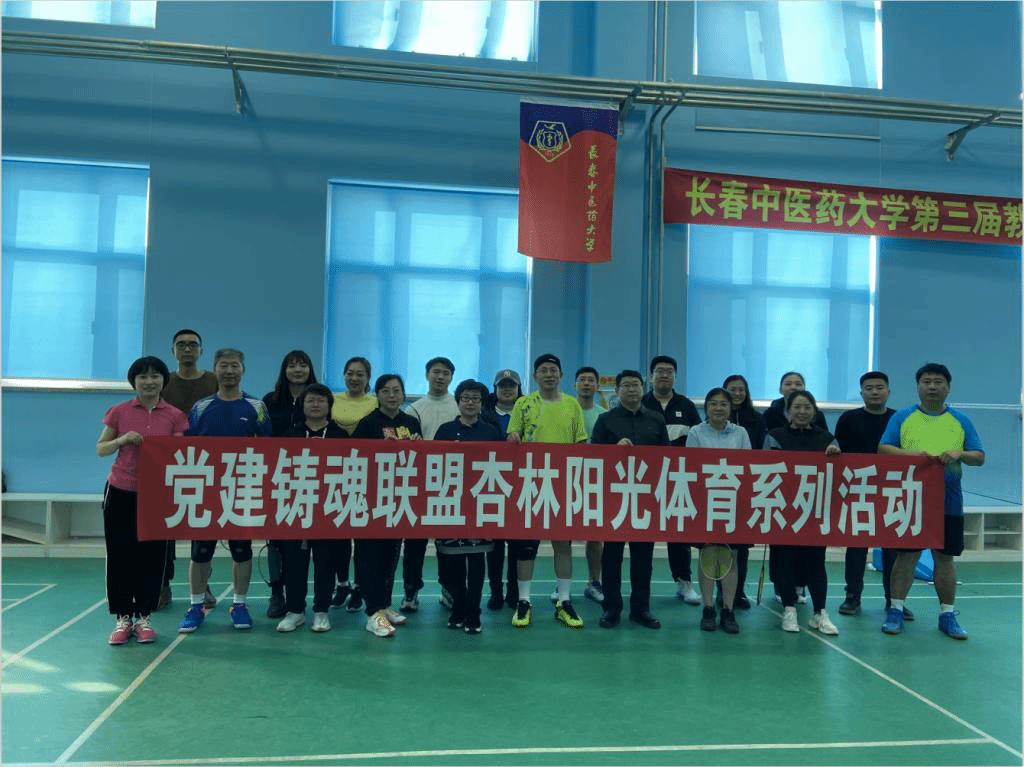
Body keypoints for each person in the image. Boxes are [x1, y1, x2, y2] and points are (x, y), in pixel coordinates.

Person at [879, 363, 984, 641]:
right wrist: (912, 456)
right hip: (910, 500)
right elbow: (884, 448)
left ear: (948, 387)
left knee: (944, 558)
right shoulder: (903, 417)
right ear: (918, 386)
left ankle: (947, 615)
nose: (932, 387)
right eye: (926, 382)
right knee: (906, 557)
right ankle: (895, 610)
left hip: (948, 502)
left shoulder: (961, 420)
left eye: (938, 382)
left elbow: (979, 456)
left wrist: (960, 453)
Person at [178, 348, 272, 633]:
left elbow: (268, 447)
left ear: (243, 369)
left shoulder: (256, 406)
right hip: (207, 490)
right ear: (215, 369)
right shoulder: (201, 407)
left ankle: (239, 605)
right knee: (200, 551)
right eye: (223, 365)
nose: (229, 371)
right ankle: (196, 606)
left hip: (242, 488)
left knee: (241, 550)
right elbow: (187, 446)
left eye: (234, 365)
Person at [96, 356, 188, 644]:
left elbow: (181, 453)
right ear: (133, 382)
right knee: (120, 553)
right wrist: (121, 440)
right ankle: (123, 617)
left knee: (153, 555)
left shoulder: (174, 415)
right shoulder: (119, 412)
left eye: (155, 376)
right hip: (121, 490)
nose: (149, 382)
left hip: (157, 493)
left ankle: (145, 616)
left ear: (163, 380)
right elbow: (101, 448)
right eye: (143, 377)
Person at [507, 353, 588, 629]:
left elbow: (580, 444)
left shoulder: (572, 405)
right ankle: (524, 601)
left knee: (562, 544)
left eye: (554, 370)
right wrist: (513, 438)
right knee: (527, 545)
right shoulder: (523, 403)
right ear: (535, 376)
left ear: (561, 375)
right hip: (530, 483)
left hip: (562, 484)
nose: (549, 374)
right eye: (543, 370)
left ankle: (564, 601)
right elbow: (512, 437)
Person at [591, 370, 669, 630]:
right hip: (615, 499)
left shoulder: (656, 420)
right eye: (626, 385)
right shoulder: (605, 420)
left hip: (646, 499)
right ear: (617, 390)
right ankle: (611, 608)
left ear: (642, 388)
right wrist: (614, 451)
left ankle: (640, 609)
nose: (632, 389)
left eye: (636, 384)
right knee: (612, 557)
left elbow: (667, 458)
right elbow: (594, 457)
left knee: (643, 558)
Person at [352, 374, 423, 638]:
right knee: (368, 556)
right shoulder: (367, 423)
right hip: (370, 500)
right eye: (385, 391)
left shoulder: (411, 422)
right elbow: (353, 457)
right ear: (377, 394)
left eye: (396, 390)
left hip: (398, 498)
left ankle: (384, 604)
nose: (391, 395)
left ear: (403, 394)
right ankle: (373, 613)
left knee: (391, 554)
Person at [765, 390, 841, 636]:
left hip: (814, 511)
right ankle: (789, 609)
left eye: (807, 407)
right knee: (786, 560)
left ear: (814, 411)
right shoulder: (775, 436)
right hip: (783, 510)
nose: (802, 412)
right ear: (787, 411)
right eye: (796, 407)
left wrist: (835, 455)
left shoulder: (826, 438)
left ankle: (820, 613)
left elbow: (837, 473)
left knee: (816, 562)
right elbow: (765, 468)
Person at [275, 384, 348, 634]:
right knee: (294, 563)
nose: (315, 405)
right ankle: (295, 611)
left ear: (329, 405)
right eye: (310, 401)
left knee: (326, 563)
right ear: (302, 405)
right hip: (295, 508)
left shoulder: (340, 435)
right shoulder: (289, 435)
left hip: (329, 509)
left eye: (320, 400)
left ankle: (321, 610)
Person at [157, 328, 219, 612]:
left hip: (205, 463)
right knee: (163, 526)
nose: (187, 349)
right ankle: (162, 584)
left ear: (201, 350)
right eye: (181, 345)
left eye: (193, 345)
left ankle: (202, 584)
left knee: (202, 525)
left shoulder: (213, 380)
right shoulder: (164, 382)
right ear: (173, 351)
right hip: (167, 464)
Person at [433, 379, 502, 633]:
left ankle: (474, 612)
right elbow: (433, 462)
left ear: (482, 403)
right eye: (466, 398)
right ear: (458, 401)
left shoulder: (491, 431)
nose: (470, 403)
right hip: (451, 503)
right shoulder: (445, 430)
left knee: (476, 560)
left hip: (480, 504)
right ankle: (458, 607)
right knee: (452, 562)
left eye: (475, 398)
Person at [834, 371, 899, 618]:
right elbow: (838, 451)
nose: (874, 392)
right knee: (856, 547)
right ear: (861, 392)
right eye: (869, 388)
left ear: (888, 391)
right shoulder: (848, 419)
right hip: (858, 491)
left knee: (892, 549)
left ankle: (894, 600)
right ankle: (852, 597)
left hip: (891, 491)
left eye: (879, 387)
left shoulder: (899, 419)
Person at [687, 387, 752, 634]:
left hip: (733, 502)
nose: (718, 408)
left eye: (723, 404)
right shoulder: (696, 433)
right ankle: (707, 608)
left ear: (731, 408)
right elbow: (691, 466)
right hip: (704, 502)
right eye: (713, 403)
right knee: (707, 555)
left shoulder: (741, 433)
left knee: (730, 556)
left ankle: (727, 609)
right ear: (706, 407)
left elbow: (748, 466)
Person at [261, 350, 320, 620]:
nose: (298, 370)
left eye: (303, 365)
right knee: (276, 540)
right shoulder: (269, 401)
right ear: (284, 370)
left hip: (311, 479)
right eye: (292, 365)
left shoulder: (319, 398)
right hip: (277, 478)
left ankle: (304, 597)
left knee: (307, 543)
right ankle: (277, 593)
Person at [641, 355, 702, 606]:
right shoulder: (642, 403)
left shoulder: (686, 406)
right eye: (659, 371)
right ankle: (641, 586)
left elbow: (698, 438)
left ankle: (684, 582)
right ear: (651, 376)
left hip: (678, 480)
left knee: (678, 533)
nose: (664, 375)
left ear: (675, 376)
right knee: (644, 534)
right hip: (645, 479)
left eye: (669, 371)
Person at [402, 356, 460, 613]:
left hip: (450, 484)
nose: (440, 377)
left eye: (445, 373)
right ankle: (411, 591)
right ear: (427, 375)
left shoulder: (459, 406)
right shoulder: (414, 410)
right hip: (419, 483)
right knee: (414, 543)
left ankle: (448, 589)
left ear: (451, 377)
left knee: (448, 544)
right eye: (436, 372)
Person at [329, 356, 376, 614]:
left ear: (368, 378)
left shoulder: (375, 403)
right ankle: (342, 584)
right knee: (338, 535)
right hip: (336, 474)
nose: (354, 378)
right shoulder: (332, 400)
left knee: (362, 536)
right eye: (350, 373)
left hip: (367, 475)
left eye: (360, 374)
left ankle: (359, 587)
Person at [722, 373, 768, 609]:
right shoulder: (716, 418)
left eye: (741, 389)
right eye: (732, 389)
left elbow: (761, 451)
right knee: (719, 543)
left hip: (747, 488)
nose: (737, 393)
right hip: (720, 486)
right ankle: (721, 591)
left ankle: (738, 591)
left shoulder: (757, 420)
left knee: (741, 545)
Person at [482, 368, 523, 611]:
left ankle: (514, 592)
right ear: (495, 389)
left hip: (520, 486)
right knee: (494, 546)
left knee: (517, 544)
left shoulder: (529, 413)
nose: (507, 390)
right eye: (502, 385)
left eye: (512, 385)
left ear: (519, 389)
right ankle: (496, 591)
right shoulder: (484, 414)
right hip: (492, 486)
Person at [571, 366, 607, 605]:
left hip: (594, 480)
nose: (586, 384)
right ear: (574, 385)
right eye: (582, 380)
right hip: (567, 478)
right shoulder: (565, 410)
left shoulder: (603, 415)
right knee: (562, 535)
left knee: (595, 535)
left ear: (597, 386)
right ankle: (561, 582)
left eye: (590, 380)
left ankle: (594, 581)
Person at [763, 371, 828, 432]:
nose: (793, 387)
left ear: (804, 388)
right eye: (788, 384)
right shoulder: (770, 414)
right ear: (780, 389)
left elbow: (824, 437)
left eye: (798, 384)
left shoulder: (817, 415)